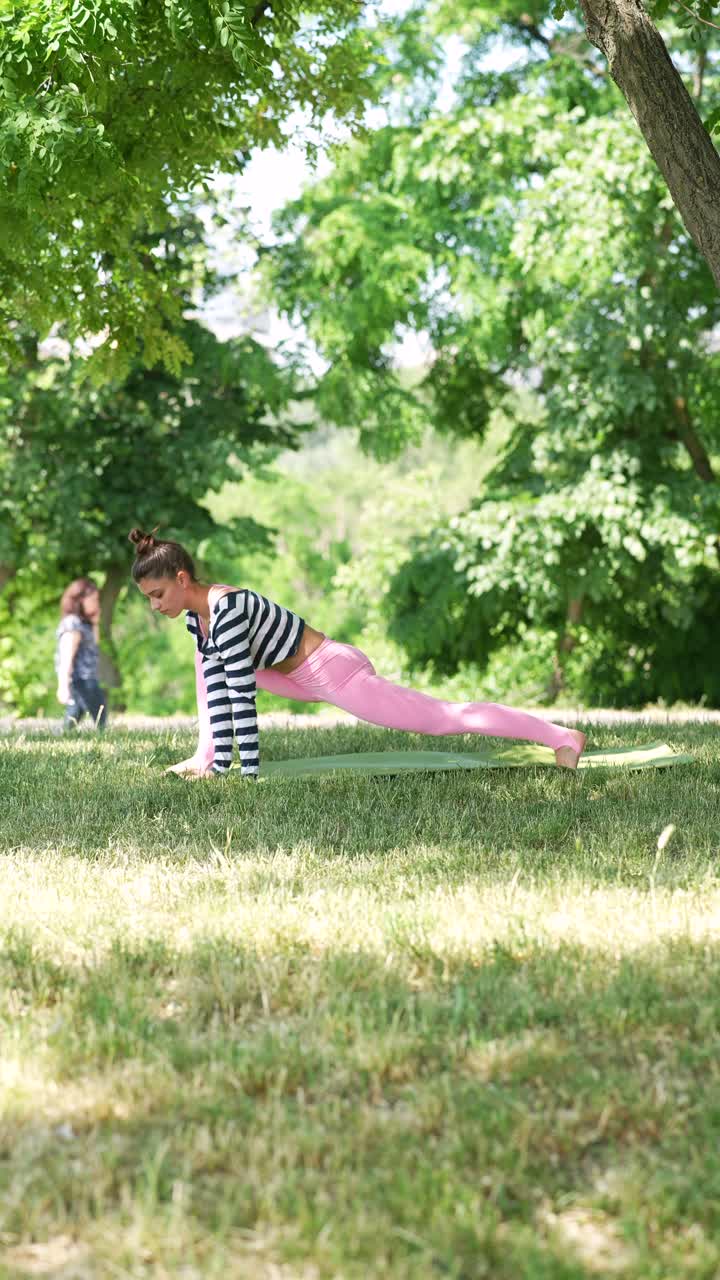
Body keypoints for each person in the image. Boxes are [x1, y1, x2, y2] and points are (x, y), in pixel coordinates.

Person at [128, 527, 586, 778]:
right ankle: (205, 758)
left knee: (443, 718)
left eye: (157, 593)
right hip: (290, 676)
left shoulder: (225, 608)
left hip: (331, 672)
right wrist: (218, 762)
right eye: (148, 597)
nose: (154, 605)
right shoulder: (197, 618)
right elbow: (221, 687)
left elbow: (241, 696)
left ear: (183, 579)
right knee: (207, 663)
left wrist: (250, 773)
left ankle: (560, 737)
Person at [55, 578, 108, 730]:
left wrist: (95, 621)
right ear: (80, 600)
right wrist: (63, 685)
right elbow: (66, 656)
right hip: (81, 679)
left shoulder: (84, 623)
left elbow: (94, 646)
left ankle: (63, 736)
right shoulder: (72, 623)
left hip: (86, 678)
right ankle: (104, 738)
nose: (97, 603)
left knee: (75, 714)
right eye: (94, 599)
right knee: (100, 715)